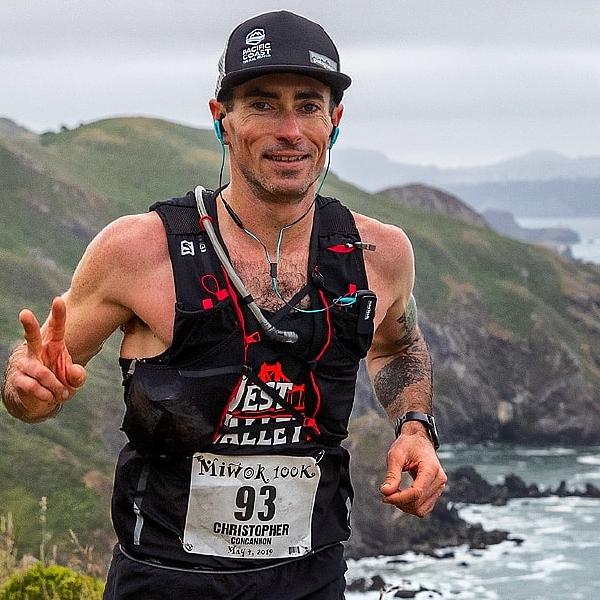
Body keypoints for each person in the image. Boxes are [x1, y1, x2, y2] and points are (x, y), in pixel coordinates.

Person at [1, 10, 447, 600]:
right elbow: (30, 394)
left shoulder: (379, 254)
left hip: (310, 577)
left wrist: (414, 427)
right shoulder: (139, 249)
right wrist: (26, 388)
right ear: (222, 119)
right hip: (163, 578)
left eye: (308, 105)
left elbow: (399, 346)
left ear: (334, 121)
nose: (290, 129)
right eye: (262, 104)